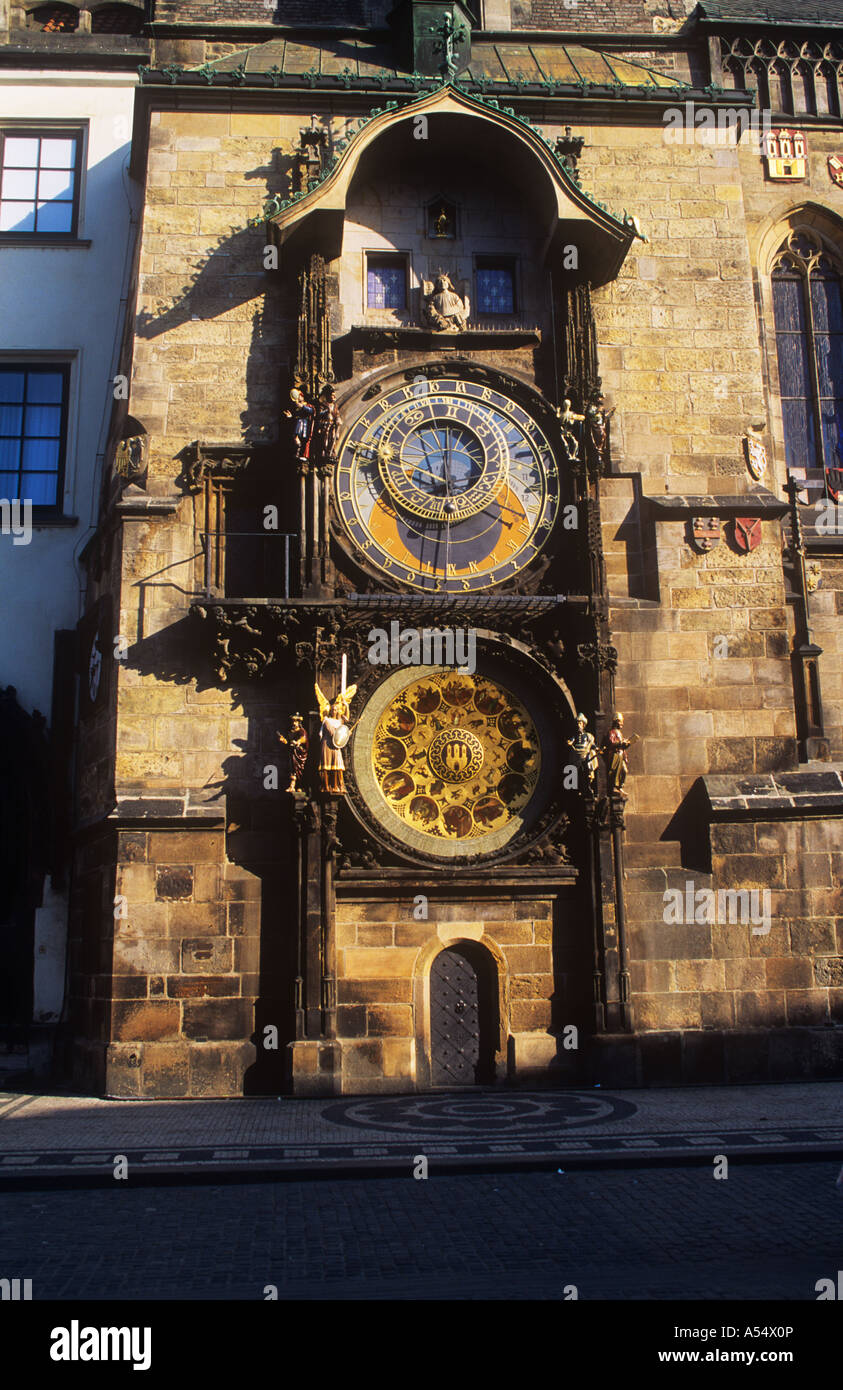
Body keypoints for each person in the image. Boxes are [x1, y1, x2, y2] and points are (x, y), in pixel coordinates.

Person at [601, 711, 638, 795]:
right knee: (615, 771)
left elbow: (621, 745)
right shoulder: (612, 732)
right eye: (621, 721)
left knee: (624, 770)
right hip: (615, 755)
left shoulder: (619, 733)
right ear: (616, 721)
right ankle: (614, 787)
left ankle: (620, 786)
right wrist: (621, 743)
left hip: (621, 754)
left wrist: (627, 744)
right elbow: (611, 743)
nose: (622, 723)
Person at [567, 712, 599, 790]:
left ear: (583, 724)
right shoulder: (575, 736)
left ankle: (588, 784)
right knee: (576, 771)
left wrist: (596, 748)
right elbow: (571, 741)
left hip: (585, 753)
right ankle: (577, 787)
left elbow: (592, 745)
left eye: (580, 723)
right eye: (577, 723)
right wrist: (569, 742)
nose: (579, 725)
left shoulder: (587, 735)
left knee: (588, 767)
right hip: (577, 754)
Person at [277, 713, 308, 792]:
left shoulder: (302, 731)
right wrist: (284, 740)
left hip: (299, 753)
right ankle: (292, 786)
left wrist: (298, 742)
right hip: (292, 753)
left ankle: (300, 786)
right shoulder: (290, 731)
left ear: (299, 722)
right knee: (292, 769)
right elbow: (288, 742)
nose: (294, 723)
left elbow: (303, 738)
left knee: (299, 769)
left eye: (296, 721)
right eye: (293, 721)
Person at [312, 384, 341, 467]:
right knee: (325, 438)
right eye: (332, 395)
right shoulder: (323, 405)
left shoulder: (335, 406)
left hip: (332, 425)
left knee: (332, 438)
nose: (334, 397)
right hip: (325, 424)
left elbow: (337, 414)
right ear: (328, 396)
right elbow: (319, 414)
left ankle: (331, 452)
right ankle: (325, 452)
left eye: (334, 395)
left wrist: (338, 419)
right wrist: (326, 411)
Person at [285, 387, 315, 460]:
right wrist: (290, 416)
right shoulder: (296, 407)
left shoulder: (307, 405)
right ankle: (297, 453)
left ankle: (302, 454)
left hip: (304, 424)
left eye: (299, 396)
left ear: (302, 397)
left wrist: (302, 407)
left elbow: (311, 411)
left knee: (304, 439)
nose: (298, 398)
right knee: (296, 438)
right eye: (297, 397)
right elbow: (295, 416)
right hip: (298, 424)